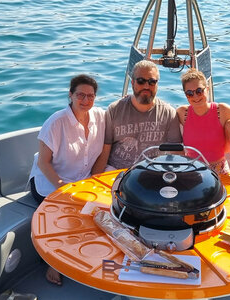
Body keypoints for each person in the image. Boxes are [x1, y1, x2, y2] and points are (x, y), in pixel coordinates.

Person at [29, 74, 105, 285]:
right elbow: (44, 163)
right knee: (70, 215)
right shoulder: (56, 122)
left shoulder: (100, 116)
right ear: (70, 95)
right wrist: (65, 191)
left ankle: (89, 257)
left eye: (91, 96)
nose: (86, 100)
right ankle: (54, 263)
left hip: (82, 181)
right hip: (50, 182)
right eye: (80, 94)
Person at [92, 60, 182, 173]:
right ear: (132, 82)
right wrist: (94, 178)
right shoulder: (114, 109)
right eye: (141, 81)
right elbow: (105, 150)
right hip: (117, 172)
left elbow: (176, 154)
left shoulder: (169, 113)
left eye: (152, 82)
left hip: (153, 172)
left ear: (157, 84)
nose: (146, 86)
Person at [176, 68, 230, 174]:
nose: (195, 96)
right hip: (192, 171)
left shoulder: (222, 110)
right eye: (190, 93)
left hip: (220, 172)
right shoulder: (182, 113)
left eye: (199, 91)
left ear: (207, 89)